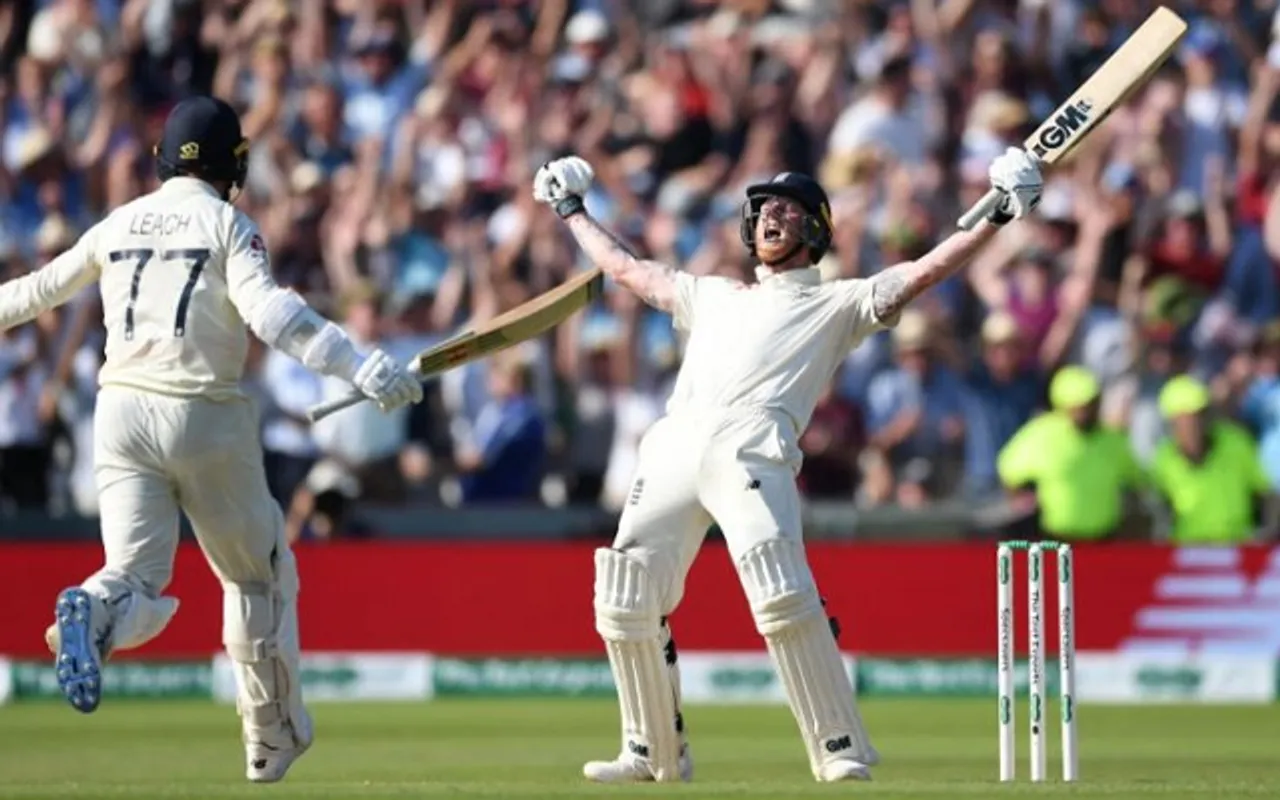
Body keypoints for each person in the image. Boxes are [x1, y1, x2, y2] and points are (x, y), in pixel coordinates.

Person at [531, 147, 1044, 783]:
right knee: (624, 594)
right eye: (764, 207)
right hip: (674, 443)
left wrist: (998, 213)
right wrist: (571, 209)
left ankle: (839, 746)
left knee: (780, 592)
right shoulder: (709, 293)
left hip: (753, 447)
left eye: (789, 209)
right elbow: (629, 270)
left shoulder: (837, 305)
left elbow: (922, 272)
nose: (771, 213)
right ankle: (652, 753)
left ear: (817, 230)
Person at [0, 96, 422, 782]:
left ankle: (95, 604)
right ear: (233, 162)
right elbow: (272, 314)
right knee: (256, 576)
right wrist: (360, 363)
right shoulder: (229, 223)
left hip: (120, 412)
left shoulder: (119, 222)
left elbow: (33, 292)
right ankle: (269, 737)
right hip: (204, 415)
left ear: (164, 158)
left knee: (134, 574)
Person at [997, 366, 1144, 541]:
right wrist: (1021, 501)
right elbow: (1008, 468)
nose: (1085, 412)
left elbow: (1137, 478)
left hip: (1105, 539)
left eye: (1090, 404)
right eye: (1079, 407)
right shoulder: (1043, 433)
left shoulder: (1112, 439)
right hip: (1057, 540)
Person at [1149, 375, 1271, 544]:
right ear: (1172, 424)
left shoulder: (1236, 443)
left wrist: (1266, 533)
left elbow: (1265, 491)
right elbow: (1157, 510)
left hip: (1238, 546)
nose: (1194, 426)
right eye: (1184, 420)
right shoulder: (1164, 459)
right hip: (1187, 551)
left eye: (1198, 415)